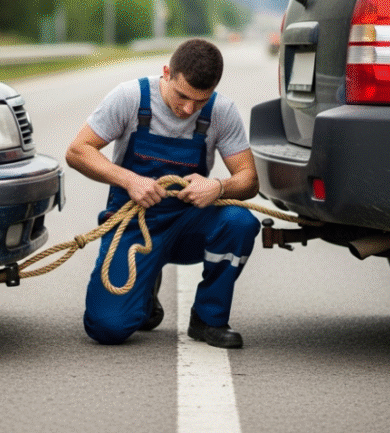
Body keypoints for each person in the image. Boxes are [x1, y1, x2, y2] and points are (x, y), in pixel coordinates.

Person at [65, 38, 259, 349]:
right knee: (107, 328)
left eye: (200, 101)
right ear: (167, 72)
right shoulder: (130, 97)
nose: (188, 109)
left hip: (187, 223)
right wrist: (129, 180)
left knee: (240, 222)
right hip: (134, 225)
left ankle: (209, 318)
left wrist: (219, 186)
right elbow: (77, 151)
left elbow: (249, 179)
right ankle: (145, 286)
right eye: (182, 96)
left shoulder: (221, 111)